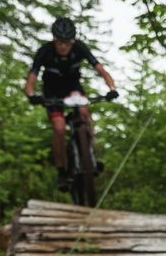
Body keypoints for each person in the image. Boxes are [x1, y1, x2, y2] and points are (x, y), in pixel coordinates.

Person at [23, 17, 118, 191]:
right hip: (52, 92)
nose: (63, 47)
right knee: (59, 128)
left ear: (72, 41)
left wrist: (112, 88)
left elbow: (101, 70)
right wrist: (31, 95)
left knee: (83, 113)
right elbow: (31, 80)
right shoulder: (45, 52)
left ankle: (90, 156)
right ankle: (61, 171)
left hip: (73, 89)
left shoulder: (80, 48)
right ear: (54, 40)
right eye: (60, 42)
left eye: (67, 43)